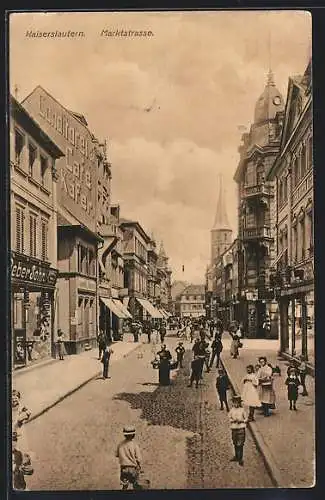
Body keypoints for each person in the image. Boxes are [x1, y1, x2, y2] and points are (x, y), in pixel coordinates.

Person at [116, 426, 142, 490]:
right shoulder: (135, 445)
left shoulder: (120, 444)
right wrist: (139, 465)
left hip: (124, 468)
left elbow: (117, 455)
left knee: (124, 486)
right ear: (133, 435)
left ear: (124, 435)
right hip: (133, 468)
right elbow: (139, 458)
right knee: (135, 485)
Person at [228, 395, 247, 466]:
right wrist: (233, 420)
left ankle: (240, 458)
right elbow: (229, 418)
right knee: (235, 442)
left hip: (241, 429)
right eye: (234, 403)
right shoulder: (232, 410)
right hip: (234, 428)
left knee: (240, 444)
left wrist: (241, 421)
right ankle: (236, 456)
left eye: (237, 403)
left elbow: (246, 419)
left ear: (239, 403)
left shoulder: (242, 410)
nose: (235, 404)